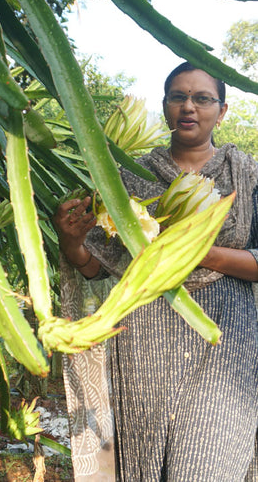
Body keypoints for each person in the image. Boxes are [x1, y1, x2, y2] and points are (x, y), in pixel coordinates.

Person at [54, 62, 258, 481]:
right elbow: (98, 271)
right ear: (165, 107)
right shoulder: (127, 177)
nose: (189, 107)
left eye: (202, 98)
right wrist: (73, 242)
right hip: (144, 337)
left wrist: (191, 250)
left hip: (224, 340)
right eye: (177, 97)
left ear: (221, 112)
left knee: (205, 467)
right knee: (148, 467)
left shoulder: (247, 175)